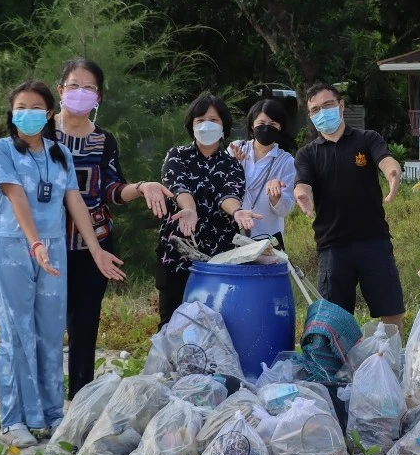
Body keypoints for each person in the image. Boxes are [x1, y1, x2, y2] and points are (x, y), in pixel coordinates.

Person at [0, 59, 173, 417]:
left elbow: (112, 188)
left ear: (98, 96)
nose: (81, 93)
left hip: (89, 246)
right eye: (74, 86)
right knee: (24, 324)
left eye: (90, 88)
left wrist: (141, 187)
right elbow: (10, 191)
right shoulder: (38, 133)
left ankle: (78, 407)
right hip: (40, 244)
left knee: (83, 328)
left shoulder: (102, 140)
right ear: (60, 90)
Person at [0, 80, 126, 448]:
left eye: (36, 108)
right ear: (12, 111)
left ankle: (51, 414)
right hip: (14, 246)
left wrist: (96, 250)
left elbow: (74, 202)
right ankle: (13, 418)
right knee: (15, 333)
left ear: (49, 113)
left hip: (54, 248)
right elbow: (16, 197)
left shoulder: (58, 153)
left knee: (50, 333)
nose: (28, 114)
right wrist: (34, 241)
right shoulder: (0, 150)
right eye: (21, 107)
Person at [293, 83, 405, 331]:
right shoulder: (307, 154)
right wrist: (302, 195)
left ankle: (392, 362)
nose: (323, 112)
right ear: (310, 117)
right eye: (315, 110)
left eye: (328, 105)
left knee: (390, 310)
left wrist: (393, 172)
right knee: (332, 320)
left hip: (374, 241)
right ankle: (336, 368)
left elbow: (385, 160)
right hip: (332, 247)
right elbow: (302, 183)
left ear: (341, 106)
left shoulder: (367, 139)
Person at [156, 93, 260, 328]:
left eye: (213, 120)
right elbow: (178, 186)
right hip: (177, 254)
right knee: (172, 322)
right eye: (200, 119)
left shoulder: (232, 164)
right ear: (191, 125)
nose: (206, 125)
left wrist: (237, 212)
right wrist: (190, 209)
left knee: (215, 324)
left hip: (218, 257)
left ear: (224, 126)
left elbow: (229, 194)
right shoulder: (176, 156)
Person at [227, 98, 297, 249]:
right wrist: (233, 164)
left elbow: (286, 209)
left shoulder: (286, 161)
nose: (266, 128)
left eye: (273, 124)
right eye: (261, 123)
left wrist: (276, 197)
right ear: (252, 125)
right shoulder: (236, 148)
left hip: (268, 238)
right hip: (233, 233)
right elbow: (222, 188)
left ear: (280, 127)